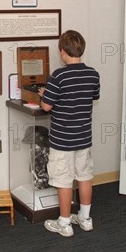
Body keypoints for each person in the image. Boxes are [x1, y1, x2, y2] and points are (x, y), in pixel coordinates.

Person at [38, 30, 100, 237]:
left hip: (62, 139)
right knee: (84, 177)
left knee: (63, 180)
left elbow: (46, 107)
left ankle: (64, 223)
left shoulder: (58, 76)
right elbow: (92, 96)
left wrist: (45, 95)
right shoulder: (93, 73)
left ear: (62, 52)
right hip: (83, 137)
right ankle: (85, 218)